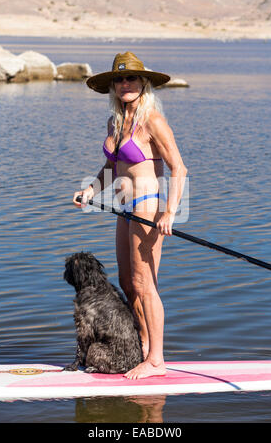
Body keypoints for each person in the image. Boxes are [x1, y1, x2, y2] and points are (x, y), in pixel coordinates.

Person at [73, 52, 187, 379]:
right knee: (127, 282)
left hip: (148, 206)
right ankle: (142, 342)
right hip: (124, 207)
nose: (125, 84)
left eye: (131, 78)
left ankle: (157, 360)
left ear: (143, 83)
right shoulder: (116, 121)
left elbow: (179, 167)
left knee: (144, 282)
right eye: (120, 79)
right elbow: (112, 167)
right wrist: (92, 190)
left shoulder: (154, 120)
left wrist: (170, 212)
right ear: (113, 86)